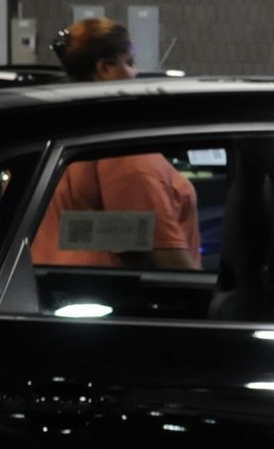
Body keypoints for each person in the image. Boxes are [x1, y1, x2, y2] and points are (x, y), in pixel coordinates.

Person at [31, 17, 200, 270]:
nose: (136, 72)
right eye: (129, 62)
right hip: (118, 297)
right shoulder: (121, 147)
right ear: (105, 68)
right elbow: (165, 255)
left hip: (46, 290)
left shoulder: (53, 131)